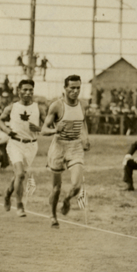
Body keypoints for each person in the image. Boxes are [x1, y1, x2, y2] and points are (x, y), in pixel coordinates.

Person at [41, 75, 90, 228]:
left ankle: (67, 200)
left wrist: (85, 138)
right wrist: (55, 130)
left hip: (75, 147)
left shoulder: (83, 105)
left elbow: (83, 122)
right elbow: (43, 130)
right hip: (58, 147)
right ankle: (53, 215)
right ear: (65, 88)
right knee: (56, 188)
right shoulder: (57, 106)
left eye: (78, 88)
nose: (75, 91)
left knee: (77, 185)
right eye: (72, 88)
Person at [0, 78, 41, 217]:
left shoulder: (38, 108)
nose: (28, 93)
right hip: (15, 143)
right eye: (25, 90)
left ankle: (7, 194)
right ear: (19, 91)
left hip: (31, 145)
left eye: (30, 90)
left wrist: (38, 128)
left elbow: (47, 126)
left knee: (18, 176)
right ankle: (19, 205)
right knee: (20, 174)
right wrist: (6, 130)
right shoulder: (12, 107)